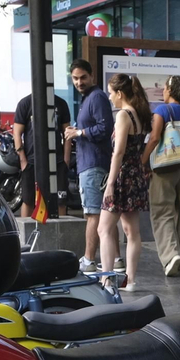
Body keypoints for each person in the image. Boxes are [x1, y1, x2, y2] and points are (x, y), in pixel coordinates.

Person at [100, 73, 151, 292]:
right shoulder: (138, 115)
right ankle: (130, 280)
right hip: (135, 176)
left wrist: (110, 183)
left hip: (121, 177)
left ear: (120, 93)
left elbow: (118, 151)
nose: (110, 98)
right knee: (132, 231)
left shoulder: (123, 115)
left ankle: (107, 279)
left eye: (111, 93)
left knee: (104, 229)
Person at [143, 74, 180, 276]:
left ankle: (170, 255)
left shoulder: (161, 111)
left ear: (169, 90)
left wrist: (143, 161)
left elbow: (154, 138)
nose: (163, 91)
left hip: (165, 167)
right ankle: (179, 256)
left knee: (161, 210)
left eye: (165, 88)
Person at [64, 60, 112, 271]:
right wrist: (78, 131)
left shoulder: (97, 97)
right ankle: (116, 259)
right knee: (102, 213)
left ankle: (89, 260)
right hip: (90, 162)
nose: (79, 82)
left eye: (83, 77)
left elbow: (105, 128)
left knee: (92, 213)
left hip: (93, 164)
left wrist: (80, 133)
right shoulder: (89, 98)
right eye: (75, 78)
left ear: (92, 75)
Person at [12, 87, 70, 217]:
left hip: (57, 162)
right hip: (32, 161)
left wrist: (65, 161)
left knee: (60, 201)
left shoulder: (60, 103)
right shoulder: (25, 103)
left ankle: (60, 234)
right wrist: (23, 161)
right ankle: (27, 236)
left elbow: (67, 133)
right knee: (28, 200)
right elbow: (17, 133)